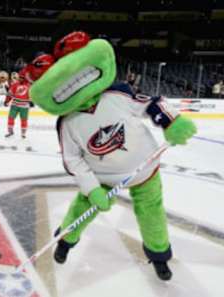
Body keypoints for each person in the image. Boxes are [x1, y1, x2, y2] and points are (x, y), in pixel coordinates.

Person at [31, 31, 197, 281]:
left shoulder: (118, 95)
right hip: (102, 178)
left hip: (144, 169)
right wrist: (92, 189)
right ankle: (65, 241)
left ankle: (159, 255)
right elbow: (73, 162)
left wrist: (171, 122)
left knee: (152, 214)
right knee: (80, 211)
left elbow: (151, 104)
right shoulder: (67, 124)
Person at [4, 68, 32, 138]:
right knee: (10, 118)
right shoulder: (15, 85)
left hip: (24, 106)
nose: (20, 79)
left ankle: (23, 134)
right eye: (20, 77)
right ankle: (10, 131)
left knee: (24, 120)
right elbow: (10, 94)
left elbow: (32, 94)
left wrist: (32, 101)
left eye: (22, 78)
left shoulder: (29, 85)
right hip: (14, 105)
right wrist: (7, 101)